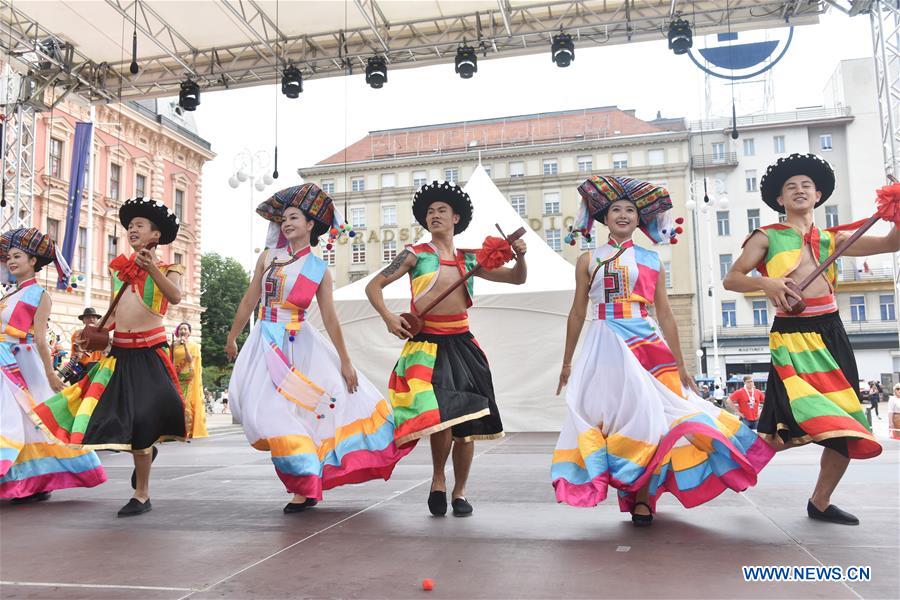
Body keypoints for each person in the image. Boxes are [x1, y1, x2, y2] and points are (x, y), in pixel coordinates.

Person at [551, 176, 773, 527]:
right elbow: (578, 311)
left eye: (630, 210)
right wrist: (566, 362)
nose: (623, 215)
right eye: (616, 210)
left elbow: (665, 313)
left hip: (645, 342)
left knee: (653, 418)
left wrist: (682, 364)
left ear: (640, 220)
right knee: (605, 418)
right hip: (604, 341)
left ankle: (642, 498)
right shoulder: (588, 259)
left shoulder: (652, 260)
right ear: (604, 218)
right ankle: (611, 479)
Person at [724, 153, 900, 525]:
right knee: (778, 428)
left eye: (806, 185)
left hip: (831, 332)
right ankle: (720, 469)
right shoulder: (767, 236)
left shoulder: (834, 238)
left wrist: (897, 208)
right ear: (780, 200)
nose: (799, 190)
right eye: (791, 187)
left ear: (818, 195)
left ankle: (820, 502)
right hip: (792, 336)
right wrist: (766, 282)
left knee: (847, 422)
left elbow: (890, 244)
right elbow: (732, 279)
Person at [226, 183, 412, 514]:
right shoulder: (267, 257)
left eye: (294, 217)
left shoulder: (318, 269)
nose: (287, 223)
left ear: (310, 224)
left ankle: (304, 484)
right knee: (264, 413)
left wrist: (345, 361)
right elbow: (249, 299)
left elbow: (330, 317)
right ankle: (304, 478)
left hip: (300, 345)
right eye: (283, 219)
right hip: (265, 343)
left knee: (299, 414)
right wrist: (232, 335)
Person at [366, 180, 527, 517]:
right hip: (426, 347)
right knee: (440, 419)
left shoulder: (473, 260)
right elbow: (374, 285)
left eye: (441, 210)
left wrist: (522, 258)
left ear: (456, 218)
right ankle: (438, 480)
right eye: (429, 212)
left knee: (466, 423)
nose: (434, 215)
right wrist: (388, 317)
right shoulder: (415, 254)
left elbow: (516, 279)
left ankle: (460, 492)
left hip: (463, 346)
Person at [33, 197, 188, 517]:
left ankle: (141, 494)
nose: (132, 229)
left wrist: (150, 270)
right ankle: (144, 457)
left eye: (139, 226)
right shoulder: (121, 271)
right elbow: (115, 314)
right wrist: (99, 333)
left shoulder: (169, 270)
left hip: (149, 353)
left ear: (155, 236)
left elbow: (174, 297)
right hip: (120, 354)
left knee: (143, 420)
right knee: (115, 418)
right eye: (130, 226)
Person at [0, 228, 106, 501]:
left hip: (21, 362)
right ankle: (24, 479)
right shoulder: (9, 295)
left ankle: (39, 479)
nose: (12, 261)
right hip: (5, 361)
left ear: (33, 260)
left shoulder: (39, 295)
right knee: (16, 420)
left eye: (18, 256)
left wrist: (49, 373)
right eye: (9, 257)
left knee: (32, 419)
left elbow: (41, 339)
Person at [171, 322, 207, 438]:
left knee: (186, 403)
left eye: (185, 329)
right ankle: (176, 429)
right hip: (176, 377)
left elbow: (190, 360)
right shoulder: (173, 345)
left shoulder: (193, 346)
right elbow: (170, 360)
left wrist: (185, 346)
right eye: (181, 329)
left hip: (188, 378)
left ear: (189, 332)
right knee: (176, 403)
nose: (183, 331)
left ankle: (188, 430)